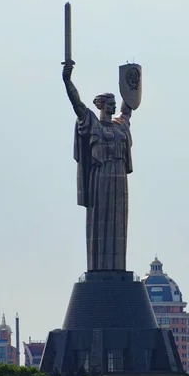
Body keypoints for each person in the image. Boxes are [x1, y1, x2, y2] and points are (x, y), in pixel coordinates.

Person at [63, 64, 134, 271]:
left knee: (118, 222)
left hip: (119, 178)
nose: (114, 107)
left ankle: (118, 267)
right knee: (101, 218)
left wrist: (130, 82)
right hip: (101, 177)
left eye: (114, 103)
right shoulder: (92, 123)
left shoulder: (120, 125)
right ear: (101, 105)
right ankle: (99, 268)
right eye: (110, 104)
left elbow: (129, 105)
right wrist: (68, 81)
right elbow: (77, 104)